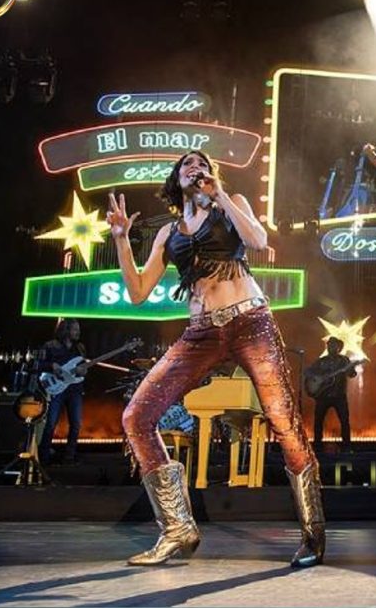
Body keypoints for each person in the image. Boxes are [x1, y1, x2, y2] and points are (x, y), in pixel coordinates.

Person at [108, 150, 325, 567]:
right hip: (201, 332)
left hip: (250, 322)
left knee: (283, 421)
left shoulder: (231, 204)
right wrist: (120, 239)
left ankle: (313, 534)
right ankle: (177, 529)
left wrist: (220, 194)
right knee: (137, 416)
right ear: (176, 178)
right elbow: (137, 292)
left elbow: (258, 241)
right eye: (188, 164)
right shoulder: (168, 232)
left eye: (203, 163)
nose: (196, 167)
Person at [37, 318, 86, 465]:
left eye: (78, 329)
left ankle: (69, 456)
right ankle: (43, 456)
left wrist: (82, 371)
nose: (78, 332)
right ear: (66, 330)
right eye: (75, 329)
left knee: (76, 424)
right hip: (56, 389)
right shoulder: (50, 346)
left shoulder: (80, 348)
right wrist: (52, 365)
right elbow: (38, 364)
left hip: (75, 389)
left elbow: (83, 369)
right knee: (51, 423)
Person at [305, 337, 358, 452]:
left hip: (339, 396)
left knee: (344, 421)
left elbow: (352, 374)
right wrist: (318, 378)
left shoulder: (344, 360)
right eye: (329, 345)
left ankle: (346, 447)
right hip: (323, 396)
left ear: (338, 348)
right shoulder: (321, 361)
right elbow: (308, 372)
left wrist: (350, 369)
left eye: (333, 345)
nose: (331, 347)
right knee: (318, 422)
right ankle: (317, 447)